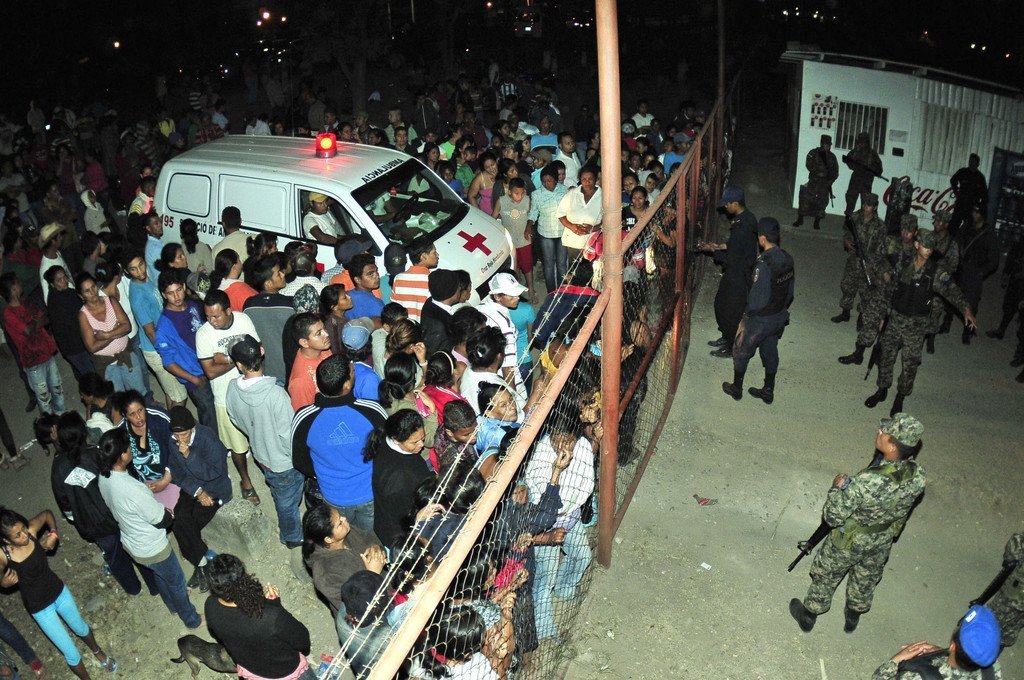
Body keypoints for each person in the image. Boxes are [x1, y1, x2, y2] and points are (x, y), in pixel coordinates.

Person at [789, 413, 926, 634]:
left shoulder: (867, 482)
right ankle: (853, 615)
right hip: (882, 538)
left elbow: (832, 516)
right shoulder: (917, 475)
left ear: (892, 446)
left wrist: (837, 488)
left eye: (884, 433)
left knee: (827, 574)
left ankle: (809, 615)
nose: (879, 432)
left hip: (850, 540)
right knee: (866, 576)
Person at [97, 428, 203, 628]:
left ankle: (173, 605)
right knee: (177, 580)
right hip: (152, 547)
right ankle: (192, 619)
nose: (131, 450)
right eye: (129, 448)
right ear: (122, 455)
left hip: (132, 542)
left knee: (160, 574)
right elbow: (161, 519)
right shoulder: (132, 489)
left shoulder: (104, 477)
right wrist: (169, 512)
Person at [865, 229, 977, 416]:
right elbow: (891, 290)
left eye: (931, 247)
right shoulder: (903, 264)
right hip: (896, 320)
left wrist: (966, 309)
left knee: (909, 366)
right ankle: (882, 389)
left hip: (916, 327)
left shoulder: (935, 272)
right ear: (917, 245)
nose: (928, 250)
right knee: (885, 358)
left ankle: (900, 397)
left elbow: (952, 290)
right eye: (925, 246)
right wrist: (884, 316)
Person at [0, 506, 117, 679]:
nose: (24, 535)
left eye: (23, 528)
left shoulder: (31, 530)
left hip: (58, 591)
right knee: (71, 653)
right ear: (6, 540)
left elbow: (47, 514)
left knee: (80, 627)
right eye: (17, 535)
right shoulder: (3, 555)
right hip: (40, 608)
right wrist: (3, 583)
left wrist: (53, 533)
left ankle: (97, 651)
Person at [50, 412, 152, 596]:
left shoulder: (58, 467)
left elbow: (64, 503)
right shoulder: (96, 454)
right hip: (115, 515)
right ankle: (154, 585)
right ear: (83, 431)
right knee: (137, 547)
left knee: (115, 557)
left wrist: (78, 517)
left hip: (92, 525)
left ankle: (133, 589)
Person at [291, 355, 387, 531]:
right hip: (369, 493)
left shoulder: (304, 418)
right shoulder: (372, 411)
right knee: (370, 538)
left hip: (332, 496)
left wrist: (326, 473)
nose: (354, 370)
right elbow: (387, 451)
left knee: (343, 538)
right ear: (347, 385)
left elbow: (300, 460)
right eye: (352, 371)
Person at [226, 335, 304, 548]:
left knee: (279, 491)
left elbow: (235, 419)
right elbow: (288, 436)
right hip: (283, 462)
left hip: (261, 454)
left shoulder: (232, 388)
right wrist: (300, 460)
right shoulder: (276, 395)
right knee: (287, 502)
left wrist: (257, 433)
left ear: (239, 365)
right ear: (262, 351)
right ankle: (292, 537)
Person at [196, 289, 261, 504]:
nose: (211, 321)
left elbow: (258, 352)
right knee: (237, 446)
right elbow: (210, 372)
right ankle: (246, 481)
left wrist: (225, 358)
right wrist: (239, 358)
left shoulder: (243, 320)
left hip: (252, 390)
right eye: (207, 316)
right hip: (224, 398)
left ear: (228, 310)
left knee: (259, 437)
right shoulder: (203, 334)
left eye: (216, 316)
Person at [204, 554, 315, 680]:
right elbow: (303, 640)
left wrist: (267, 605)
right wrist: (275, 605)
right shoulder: (271, 617)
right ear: (243, 578)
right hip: (284, 671)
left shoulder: (210, 606)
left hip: (253, 671)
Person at [721, 218, 795, 404]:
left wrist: (746, 317)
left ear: (762, 239)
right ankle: (768, 390)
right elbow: (790, 293)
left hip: (761, 320)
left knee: (741, 349)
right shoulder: (787, 258)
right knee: (770, 350)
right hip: (778, 316)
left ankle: (736, 388)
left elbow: (756, 300)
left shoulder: (763, 264)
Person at [166, 406, 232, 591]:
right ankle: (202, 564)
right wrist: (197, 491)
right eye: (177, 435)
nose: (180, 439)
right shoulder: (173, 440)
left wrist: (189, 456)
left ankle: (200, 565)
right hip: (192, 488)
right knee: (178, 521)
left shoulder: (207, 439)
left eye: (184, 434)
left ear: (193, 428)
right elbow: (176, 473)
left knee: (189, 526)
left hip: (215, 488)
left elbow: (214, 472)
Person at [125, 250, 188, 409]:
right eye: (133, 269)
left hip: (162, 344)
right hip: (157, 350)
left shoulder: (146, 281)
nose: (140, 271)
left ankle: (170, 419)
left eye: (141, 264)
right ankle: (178, 422)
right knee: (180, 395)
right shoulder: (138, 296)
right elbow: (150, 332)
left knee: (170, 391)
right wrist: (169, 356)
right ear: (127, 271)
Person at [700, 186, 758, 356]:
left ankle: (732, 346)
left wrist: (714, 251)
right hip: (736, 270)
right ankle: (727, 336)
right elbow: (736, 245)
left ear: (736, 203)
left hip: (739, 272)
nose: (725, 207)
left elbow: (732, 258)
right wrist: (719, 246)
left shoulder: (742, 226)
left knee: (732, 311)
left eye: (727, 204)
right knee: (721, 304)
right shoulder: (746, 218)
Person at [155, 269, 217, 428]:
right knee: (209, 414)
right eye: (170, 293)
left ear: (184, 287)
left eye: (178, 290)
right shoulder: (164, 326)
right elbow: (168, 363)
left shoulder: (193, 306)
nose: (176, 296)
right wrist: (193, 379)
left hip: (211, 365)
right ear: (163, 295)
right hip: (196, 375)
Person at [871, 605, 1002, 679]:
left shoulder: (915, 676)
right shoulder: (993, 671)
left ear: (953, 646)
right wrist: (940, 652)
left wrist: (896, 660)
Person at [366, 409, 435, 545]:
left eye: (422, 438)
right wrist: (419, 516)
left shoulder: (387, 440)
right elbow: (403, 515)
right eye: (414, 442)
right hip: (402, 534)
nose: (421, 445)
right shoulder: (398, 476)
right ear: (396, 440)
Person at [301, 504, 385, 616]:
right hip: (374, 614)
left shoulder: (345, 532)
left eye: (340, 516)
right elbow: (355, 608)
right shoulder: (325, 574)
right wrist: (372, 574)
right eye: (340, 523)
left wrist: (376, 547)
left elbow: (368, 537)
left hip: (386, 588)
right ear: (329, 539)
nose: (344, 519)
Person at [0, 274, 66, 414]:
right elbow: (27, 330)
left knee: (57, 390)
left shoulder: (26, 302)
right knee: (44, 398)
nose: (21, 283)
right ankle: (50, 423)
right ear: (13, 288)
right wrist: (35, 321)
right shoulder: (8, 313)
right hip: (32, 360)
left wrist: (33, 323)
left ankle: (61, 416)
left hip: (46, 352)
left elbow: (43, 318)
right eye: (18, 282)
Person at [76, 272, 147, 393]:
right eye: (87, 291)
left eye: (93, 287)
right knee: (118, 398)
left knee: (138, 392)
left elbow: (127, 327)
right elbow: (92, 347)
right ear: (81, 295)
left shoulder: (110, 300)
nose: (93, 292)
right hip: (106, 363)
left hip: (126, 354)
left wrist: (105, 335)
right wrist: (116, 331)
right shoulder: (83, 315)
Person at [830, 192, 888, 325]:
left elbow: (881, 249)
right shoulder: (855, 217)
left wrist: (872, 264)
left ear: (875, 207)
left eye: (870, 205)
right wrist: (846, 241)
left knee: (866, 292)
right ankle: (845, 313)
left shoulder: (880, 226)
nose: (866, 207)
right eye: (865, 204)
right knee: (847, 285)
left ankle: (861, 317)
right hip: (853, 259)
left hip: (868, 262)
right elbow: (847, 232)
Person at [242, 255, 293, 383]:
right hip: (286, 370)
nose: (283, 274)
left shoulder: (249, 305)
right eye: (278, 273)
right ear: (268, 283)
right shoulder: (290, 304)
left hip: (260, 372)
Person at [477, 272, 528, 400]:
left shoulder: (480, 307)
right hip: (505, 377)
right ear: (497, 296)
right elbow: (508, 368)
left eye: (517, 294)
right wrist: (513, 398)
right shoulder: (505, 325)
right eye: (512, 295)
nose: (517, 298)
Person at [956, 200, 1000, 345]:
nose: (974, 214)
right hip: (961, 268)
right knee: (952, 296)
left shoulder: (989, 235)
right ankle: (946, 323)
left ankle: (967, 332)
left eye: (977, 212)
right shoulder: (967, 227)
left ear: (983, 215)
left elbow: (994, 260)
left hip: (974, 272)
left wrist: (981, 272)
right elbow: (957, 241)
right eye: (973, 211)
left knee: (971, 304)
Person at [45, 266, 94, 378]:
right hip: (74, 347)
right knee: (91, 376)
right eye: (59, 280)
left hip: (80, 342)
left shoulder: (69, 292)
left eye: (65, 277)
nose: (64, 281)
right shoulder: (55, 302)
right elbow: (74, 324)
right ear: (52, 284)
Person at [528, 166, 569, 292]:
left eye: (549, 180)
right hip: (546, 234)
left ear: (556, 180)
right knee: (549, 265)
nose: (546, 184)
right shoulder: (536, 194)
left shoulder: (564, 190)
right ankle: (551, 292)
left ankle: (562, 291)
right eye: (544, 181)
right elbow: (533, 213)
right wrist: (528, 226)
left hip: (562, 232)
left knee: (562, 265)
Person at [983, 532, 1023, 648]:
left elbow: (1014, 548)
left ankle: (980, 650)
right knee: (1014, 624)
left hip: (1014, 597)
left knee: (993, 622)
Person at [793, 134, 839, 230]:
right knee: (805, 199)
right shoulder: (813, 153)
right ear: (821, 144)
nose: (827, 146)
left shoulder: (832, 157)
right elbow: (808, 165)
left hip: (825, 183)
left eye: (829, 145)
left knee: (822, 203)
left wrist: (829, 182)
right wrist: (819, 171)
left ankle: (817, 221)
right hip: (814, 181)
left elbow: (835, 172)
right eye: (825, 144)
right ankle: (800, 218)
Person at [288, 313, 333, 411]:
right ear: (304, 342)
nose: (326, 334)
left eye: (324, 329)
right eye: (318, 333)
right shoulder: (300, 382)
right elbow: (303, 416)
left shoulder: (324, 351)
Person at [558, 166, 603, 262]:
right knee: (575, 269)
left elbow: (608, 220)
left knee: (595, 269)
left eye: (590, 179)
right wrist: (572, 227)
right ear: (580, 180)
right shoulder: (572, 194)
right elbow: (560, 214)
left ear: (596, 179)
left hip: (595, 242)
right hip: (574, 242)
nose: (587, 182)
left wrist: (593, 228)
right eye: (584, 179)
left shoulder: (603, 196)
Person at [391, 237, 439, 321]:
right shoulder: (432, 280)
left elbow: (394, 308)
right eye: (434, 253)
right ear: (423, 256)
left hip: (406, 327)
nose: (437, 255)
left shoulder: (398, 279)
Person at [985, 240, 1024, 341]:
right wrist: (1006, 273)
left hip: (1018, 280)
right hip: (1017, 280)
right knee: (1009, 305)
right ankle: (1001, 329)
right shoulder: (1020, 244)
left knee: (1013, 306)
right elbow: (1012, 257)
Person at [842, 132, 883, 216]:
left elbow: (879, 169)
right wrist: (856, 167)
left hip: (866, 180)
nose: (862, 144)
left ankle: (862, 220)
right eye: (860, 141)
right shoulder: (855, 151)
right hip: (856, 178)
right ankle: (848, 218)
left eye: (863, 141)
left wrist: (871, 170)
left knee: (865, 201)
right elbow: (847, 160)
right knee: (850, 199)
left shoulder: (872, 154)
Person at [421, 269, 461, 355]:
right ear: (450, 292)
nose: (460, 288)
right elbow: (435, 357)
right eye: (458, 286)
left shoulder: (431, 301)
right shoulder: (438, 327)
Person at [949, 153, 989, 237]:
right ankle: (949, 240)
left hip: (971, 206)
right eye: (970, 161)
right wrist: (956, 192)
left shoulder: (980, 177)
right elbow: (953, 180)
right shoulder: (963, 172)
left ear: (978, 164)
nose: (972, 163)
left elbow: (985, 195)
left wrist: (979, 207)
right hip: (961, 203)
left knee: (968, 228)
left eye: (974, 162)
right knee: (954, 224)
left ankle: (964, 242)